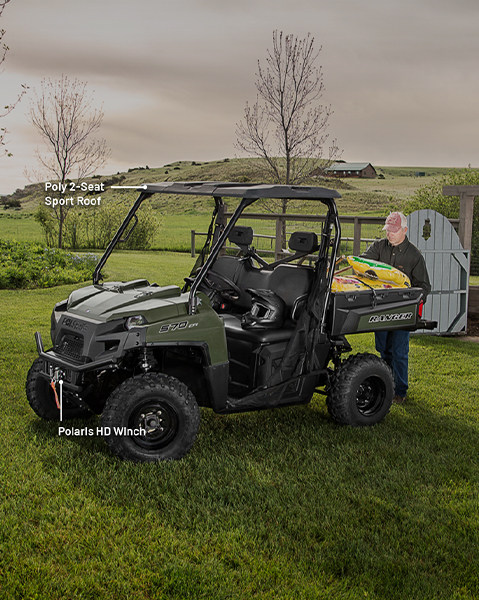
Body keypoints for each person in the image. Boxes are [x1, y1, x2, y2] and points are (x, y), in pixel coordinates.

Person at [361, 212, 431, 404]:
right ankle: (386, 385)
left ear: (405, 230)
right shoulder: (378, 247)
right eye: (388, 230)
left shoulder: (414, 255)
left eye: (394, 230)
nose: (390, 234)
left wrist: (414, 301)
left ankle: (400, 391)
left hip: (402, 310)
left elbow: (424, 286)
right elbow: (363, 262)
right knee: (383, 349)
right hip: (381, 309)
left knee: (399, 351)